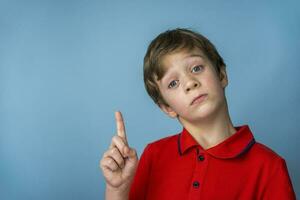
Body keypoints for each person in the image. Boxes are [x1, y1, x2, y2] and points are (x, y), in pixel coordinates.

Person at [100, 28, 296, 199]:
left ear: (221, 75)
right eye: (173, 83)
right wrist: (117, 189)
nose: (190, 83)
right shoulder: (154, 155)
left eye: (197, 68)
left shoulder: (269, 167)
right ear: (167, 107)